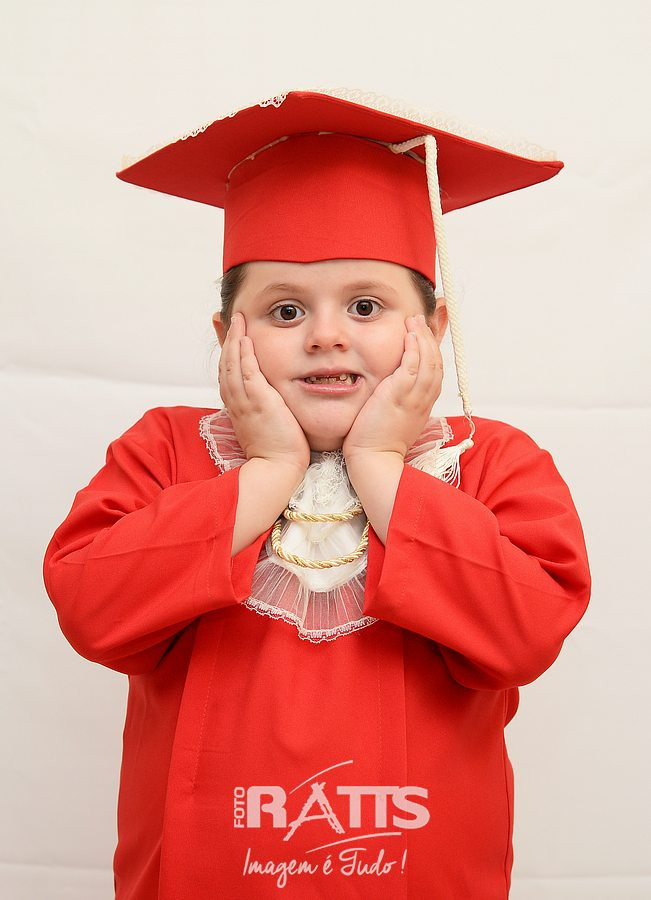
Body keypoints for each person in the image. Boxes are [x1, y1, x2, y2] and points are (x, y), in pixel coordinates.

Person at [42, 87, 592, 899]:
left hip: (417, 869)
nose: (325, 335)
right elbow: (94, 610)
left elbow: (523, 636)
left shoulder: (490, 463)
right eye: (285, 310)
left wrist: (379, 461)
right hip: (206, 873)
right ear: (226, 337)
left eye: (365, 305)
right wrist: (266, 472)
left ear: (433, 330)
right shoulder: (166, 450)